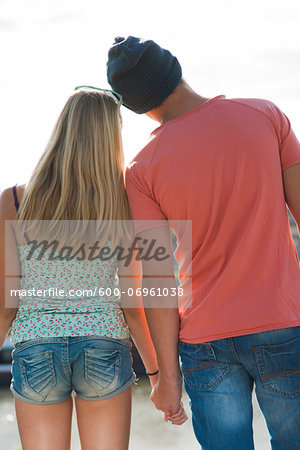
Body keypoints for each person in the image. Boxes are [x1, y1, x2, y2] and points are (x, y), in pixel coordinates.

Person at [107, 36, 300, 449]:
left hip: (205, 341)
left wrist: (166, 377)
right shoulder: (265, 115)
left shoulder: (140, 170)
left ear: (135, 105)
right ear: (174, 68)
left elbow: (157, 280)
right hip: (282, 323)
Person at [0, 87, 187, 450]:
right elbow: (133, 306)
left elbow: (7, 305)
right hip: (103, 346)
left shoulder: (14, 201)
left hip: (36, 347)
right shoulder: (122, 203)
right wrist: (158, 376)